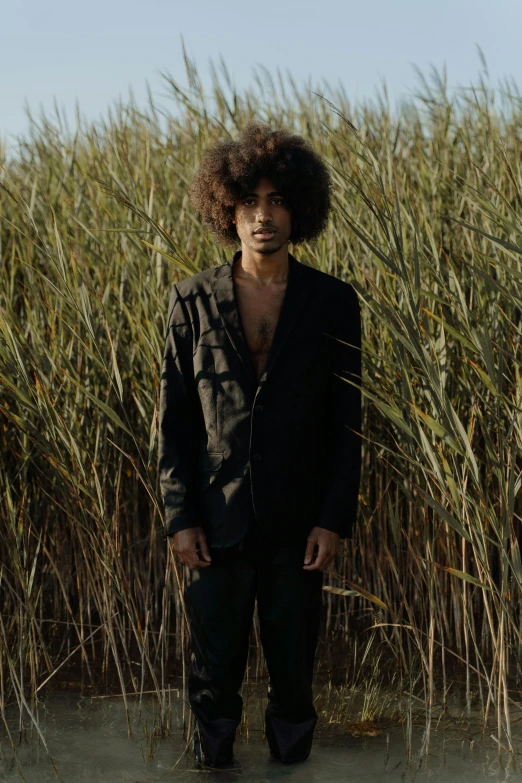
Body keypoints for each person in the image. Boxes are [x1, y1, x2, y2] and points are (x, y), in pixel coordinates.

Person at [157, 121, 362, 768]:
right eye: (249, 204)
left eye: (276, 202)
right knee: (212, 685)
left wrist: (333, 519)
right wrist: (180, 516)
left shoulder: (332, 302)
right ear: (228, 211)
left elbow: (347, 420)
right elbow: (174, 419)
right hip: (215, 524)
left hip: (298, 525)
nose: (263, 216)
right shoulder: (189, 301)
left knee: (295, 682)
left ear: (297, 209)